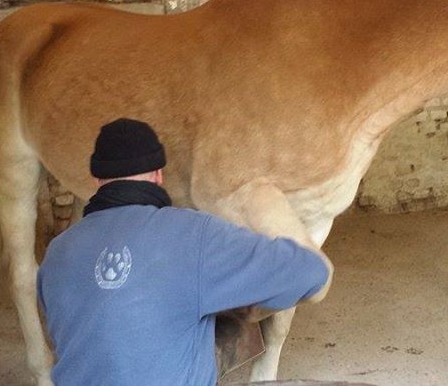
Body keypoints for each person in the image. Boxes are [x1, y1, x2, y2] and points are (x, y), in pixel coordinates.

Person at [37, 118, 333, 385]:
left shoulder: (56, 254)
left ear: (97, 181)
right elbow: (310, 273)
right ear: (158, 175)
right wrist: (263, 206)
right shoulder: (194, 234)